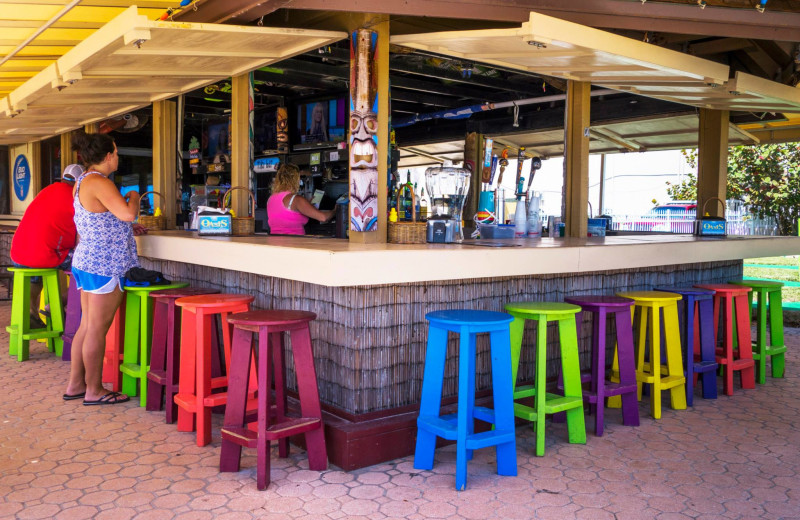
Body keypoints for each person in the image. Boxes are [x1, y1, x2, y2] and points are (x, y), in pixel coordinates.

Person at [64, 132, 139, 406]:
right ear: (108, 156)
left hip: (87, 260)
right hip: (104, 264)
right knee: (96, 328)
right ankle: (94, 390)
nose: (118, 157)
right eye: (116, 153)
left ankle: (76, 384)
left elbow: (103, 218)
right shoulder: (99, 181)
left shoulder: (82, 181)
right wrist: (134, 197)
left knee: (87, 325)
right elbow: (128, 214)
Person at [10, 163, 85, 328]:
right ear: (80, 182)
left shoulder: (47, 190)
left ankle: (30, 314)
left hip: (18, 252)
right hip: (42, 255)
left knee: (34, 274)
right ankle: (57, 306)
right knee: (88, 268)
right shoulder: (76, 198)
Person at [267, 163, 334, 235]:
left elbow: (286, 214)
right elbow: (323, 218)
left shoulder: (271, 199)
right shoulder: (296, 199)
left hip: (274, 242)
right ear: (295, 180)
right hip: (294, 243)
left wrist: (307, 204)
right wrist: (336, 210)